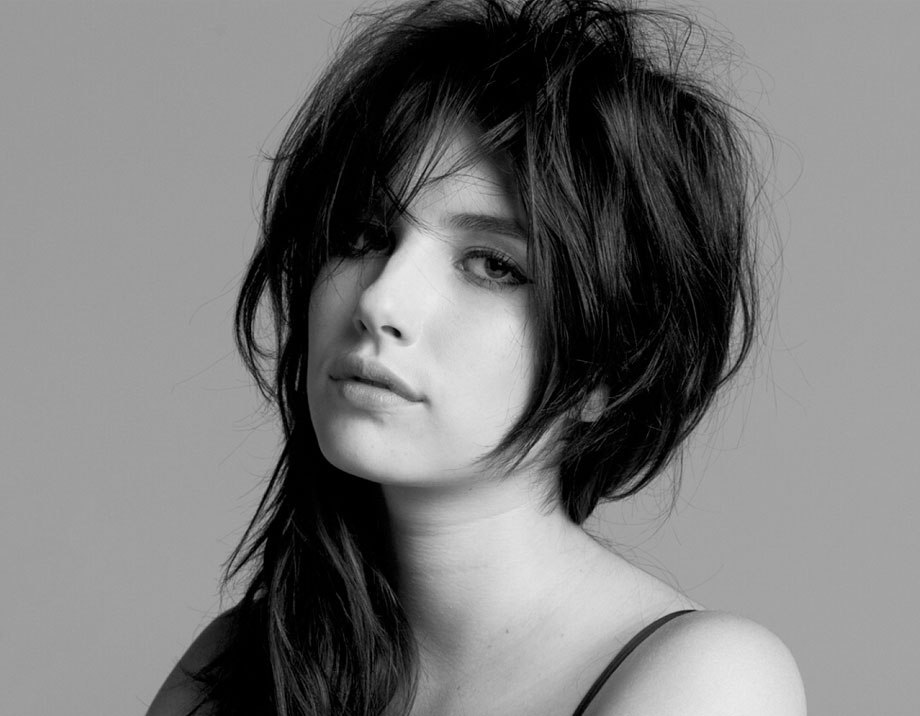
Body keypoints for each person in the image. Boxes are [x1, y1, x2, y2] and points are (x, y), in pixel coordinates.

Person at [147, 0, 806, 714]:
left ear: (607, 370)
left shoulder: (708, 680)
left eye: (493, 265)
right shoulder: (233, 665)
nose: (380, 301)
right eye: (364, 234)